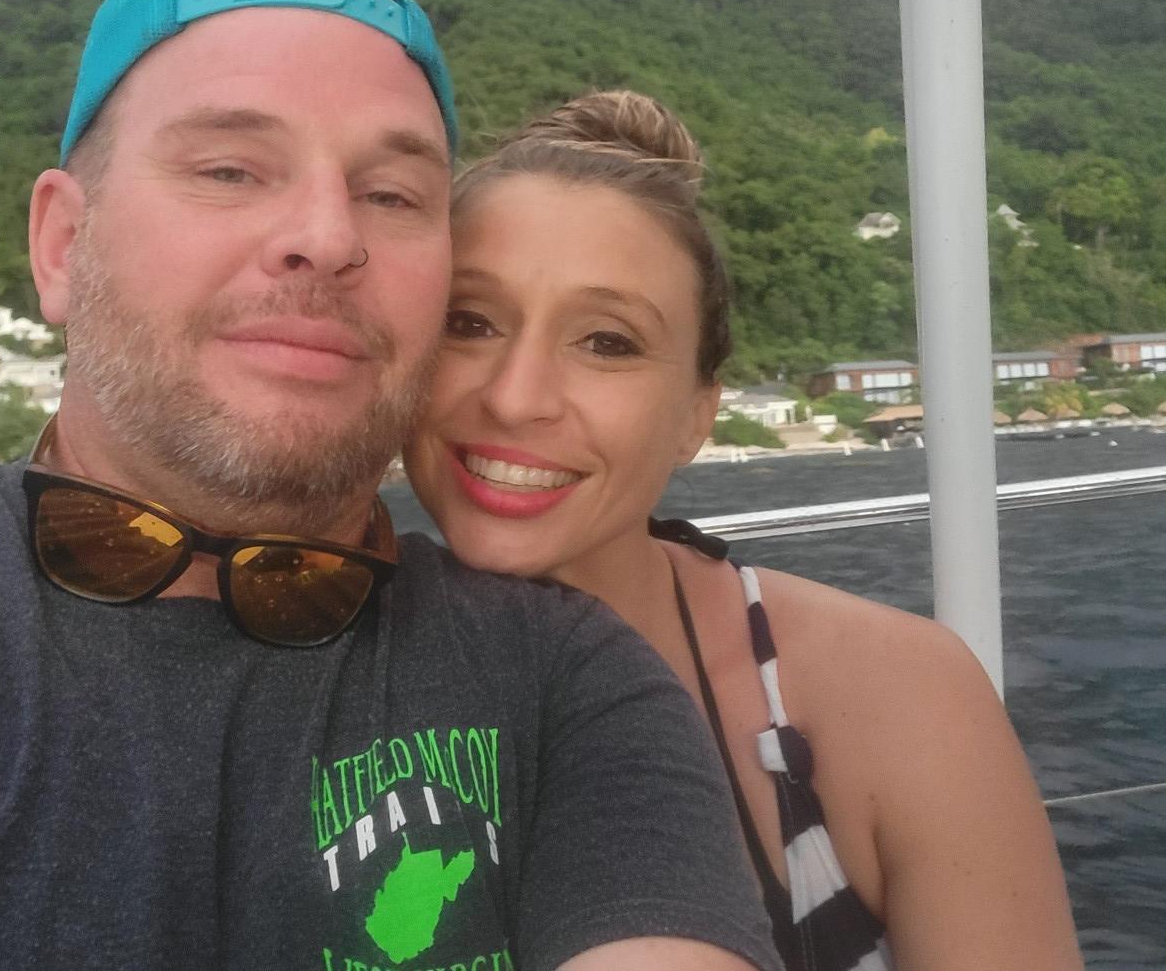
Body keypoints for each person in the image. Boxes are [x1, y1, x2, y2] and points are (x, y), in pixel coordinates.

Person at [0, 0, 781, 971]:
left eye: (391, 196)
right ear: (61, 246)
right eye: (229, 170)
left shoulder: (570, 682)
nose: (328, 236)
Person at [404, 89, 1084, 971]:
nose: (514, 396)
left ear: (697, 413)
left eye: (607, 342)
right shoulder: (289, 664)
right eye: (468, 322)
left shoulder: (894, 696)